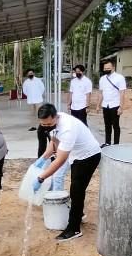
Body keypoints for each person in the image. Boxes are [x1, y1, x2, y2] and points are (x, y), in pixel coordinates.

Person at [32, 104, 101, 241]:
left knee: (76, 190)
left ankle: (74, 229)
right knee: (76, 189)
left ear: (55, 117)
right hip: (76, 156)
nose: (46, 126)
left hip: (88, 156)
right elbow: (54, 142)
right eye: (43, 124)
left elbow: (60, 159)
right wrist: (42, 159)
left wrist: (41, 178)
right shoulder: (53, 124)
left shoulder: (68, 128)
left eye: (49, 123)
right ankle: (78, 213)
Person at [96, 61, 126, 147]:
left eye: (108, 68)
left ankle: (116, 144)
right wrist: (98, 105)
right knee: (107, 125)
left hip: (115, 105)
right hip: (106, 105)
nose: (106, 70)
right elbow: (101, 93)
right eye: (105, 69)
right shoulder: (102, 79)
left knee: (115, 125)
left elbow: (122, 93)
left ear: (113, 68)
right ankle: (107, 142)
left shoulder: (120, 78)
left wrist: (121, 107)